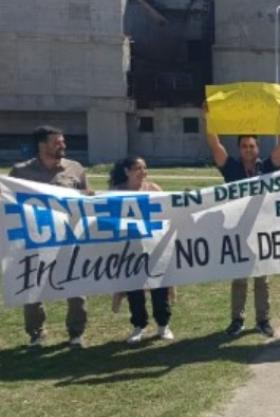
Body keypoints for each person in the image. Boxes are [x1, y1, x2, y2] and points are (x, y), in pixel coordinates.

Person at [204, 103, 280, 338]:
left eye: (252, 146)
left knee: (262, 278)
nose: (248, 150)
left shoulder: (268, 167)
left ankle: (263, 320)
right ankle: (237, 319)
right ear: (239, 149)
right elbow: (215, 144)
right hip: (237, 230)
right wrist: (208, 117)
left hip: (263, 230)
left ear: (258, 148)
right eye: (244, 146)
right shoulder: (231, 167)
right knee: (239, 278)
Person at [9, 126, 91, 348]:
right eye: (57, 142)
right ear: (41, 145)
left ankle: (76, 333)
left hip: (69, 239)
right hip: (34, 241)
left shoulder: (75, 168)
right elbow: (10, 205)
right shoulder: (20, 172)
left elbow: (86, 200)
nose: (63, 145)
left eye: (63, 141)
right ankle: (36, 332)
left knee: (76, 286)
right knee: (32, 286)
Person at [108, 157, 174, 343]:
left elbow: (168, 212)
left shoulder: (154, 189)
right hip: (129, 248)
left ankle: (163, 324)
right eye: (138, 168)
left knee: (159, 288)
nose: (143, 171)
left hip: (154, 246)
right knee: (134, 289)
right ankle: (139, 325)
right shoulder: (116, 192)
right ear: (127, 171)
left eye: (145, 167)